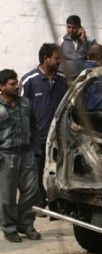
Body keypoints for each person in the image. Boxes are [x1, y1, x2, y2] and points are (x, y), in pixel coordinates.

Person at [21, 43, 68, 209]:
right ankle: (39, 204)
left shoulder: (61, 79)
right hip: (37, 137)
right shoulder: (29, 81)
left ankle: (58, 205)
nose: (59, 61)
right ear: (45, 58)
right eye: (56, 58)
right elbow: (21, 110)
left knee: (60, 171)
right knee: (36, 172)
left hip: (59, 136)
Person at [0, 69, 41, 242]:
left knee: (31, 191)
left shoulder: (25, 103)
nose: (17, 86)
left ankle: (26, 224)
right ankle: (9, 229)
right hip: (6, 156)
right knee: (7, 196)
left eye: (17, 83)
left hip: (26, 154)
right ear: (2, 87)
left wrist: (36, 149)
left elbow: (33, 126)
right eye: (12, 84)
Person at [60, 15, 96, 82]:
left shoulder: (90, 40)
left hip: (84, 80)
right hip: (65, 80)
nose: (71, 30)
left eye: (74, 27)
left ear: (80, 27)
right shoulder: (61, 40)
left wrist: (83, 40)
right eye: (69, 27)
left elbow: (94, 59)